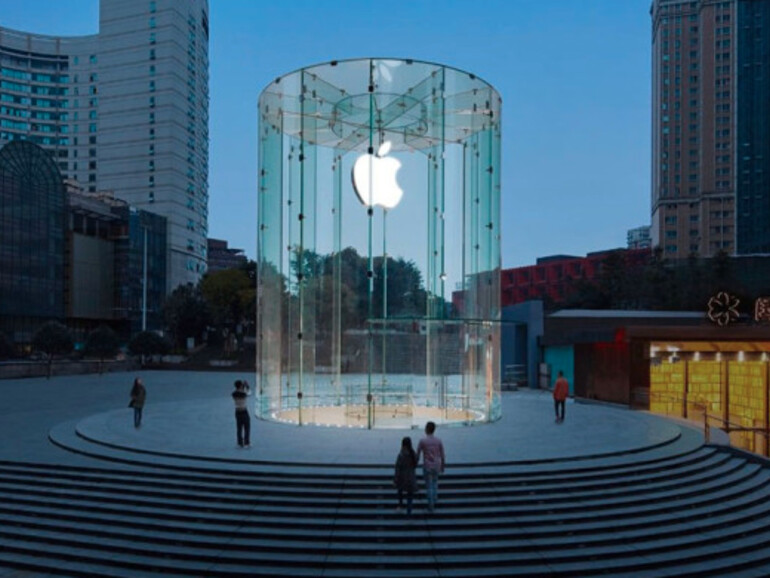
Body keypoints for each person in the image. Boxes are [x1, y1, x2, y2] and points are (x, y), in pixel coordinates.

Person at [416, 421, 445, 513]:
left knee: (429, 485)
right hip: (437, 465)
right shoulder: (438, 440)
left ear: (427, 429)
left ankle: (431, 505)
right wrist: (443, 466)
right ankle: (435, 498)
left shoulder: (422, 441)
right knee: (435, 482)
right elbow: (442, 455)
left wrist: (415, 463)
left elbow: (418, 453)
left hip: (427, 465)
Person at [394, 437, 418, 515]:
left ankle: (400, 505)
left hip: (402, 476)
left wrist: (396, 478)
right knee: (410, 496)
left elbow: (397, 467)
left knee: (400, 491)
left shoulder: (401, 454)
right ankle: (409, 511)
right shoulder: (413, 453)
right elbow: (415, 464)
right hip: (411, 477)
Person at [232, 379, 251, 448]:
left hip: (237, 412)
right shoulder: (243, 393)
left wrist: (243, 386)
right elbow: (249, 392)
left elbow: (240, 392)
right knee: (247, 427)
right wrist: (246, 385)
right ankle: (246, 442)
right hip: (244, 411)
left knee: (239, 428)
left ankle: (240, 443)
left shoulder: (234, 394)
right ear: (240, 386)